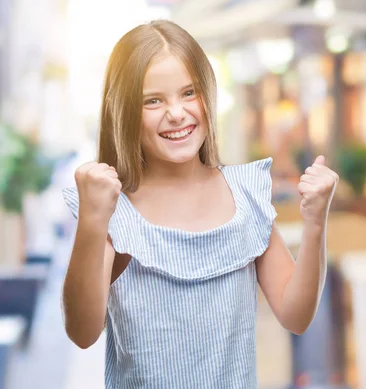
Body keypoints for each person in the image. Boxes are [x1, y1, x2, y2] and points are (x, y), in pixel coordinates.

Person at [61, 20, 338, 388]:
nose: (176, 113)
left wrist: (315, 222)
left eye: (189, 93)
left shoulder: (245, 196)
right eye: (153, 100)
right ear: (124, 111)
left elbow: (296, 315)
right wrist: (93, 222)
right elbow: (82, 332)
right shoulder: (115, 211)